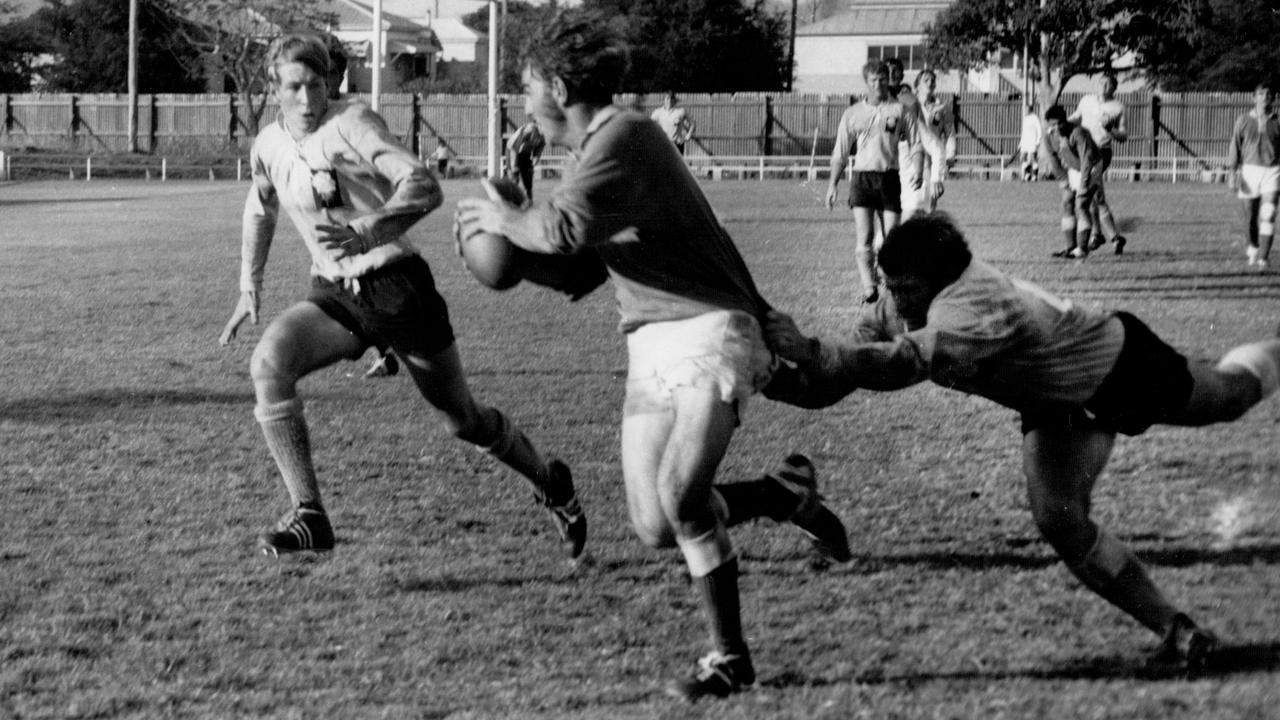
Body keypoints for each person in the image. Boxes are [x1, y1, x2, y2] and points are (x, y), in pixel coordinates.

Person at [454, 9, 852, 702]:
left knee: (679, 495)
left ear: (554, 84)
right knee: (655, 524)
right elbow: (580, 269)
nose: (523, 103)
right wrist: (512, 262)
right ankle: (784, 494)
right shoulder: (588, 157)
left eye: (525, 86)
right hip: (649, 338)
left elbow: (562, 227)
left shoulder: (626, 134)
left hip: (712, 326)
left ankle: (729, 657)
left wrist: (501, 222)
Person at [764, 211, 1280, 672]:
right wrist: (775, 377)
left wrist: (812, 348)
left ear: (944, 283)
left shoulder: (978, 303)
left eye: (908, 290)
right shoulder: (902, 304)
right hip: (1055, 405)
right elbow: (839, 377)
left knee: (1231, 396)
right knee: (1058, 518)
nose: (897, 302)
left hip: (1118, 368)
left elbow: (900, 365)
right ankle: (1177, 630)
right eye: (890, 286)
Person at [218, 33, 587, 562]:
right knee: (269, 365)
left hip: (396, 286)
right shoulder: (268, 145)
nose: (306, 99)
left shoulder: (352, 124)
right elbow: (260, 207)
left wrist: (367, 230)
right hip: (335, 294)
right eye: (294, 87)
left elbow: (422, 185)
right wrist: (248, 284)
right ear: (273, 88)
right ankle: (309, 514)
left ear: (331, 84)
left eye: (316, 85)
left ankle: (550, 480)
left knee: (461, 418)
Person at [826, 60, 944, 304]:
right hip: (862, 179)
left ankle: (886, 278)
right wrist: (832, 185)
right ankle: (869, 287)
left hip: (890, 178)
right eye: (873, 80)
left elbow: (916, 141)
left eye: (882, 79)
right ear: (866, 82)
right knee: (865, 237)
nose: (878, 84)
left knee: (892, 238)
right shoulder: (853, 113)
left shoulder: (899, 109)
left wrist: (919, 168)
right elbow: (841, 152)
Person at [1068, 73, 1129, 254]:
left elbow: (1124, 135)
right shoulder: (1086, 100)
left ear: (1114, 88)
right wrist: (1061, 124)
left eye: (1107, 83)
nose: (1102, 85)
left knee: (1092, 195)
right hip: (1084, 153)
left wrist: (1111, 128)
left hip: (1101, 152)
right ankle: (1105, 236)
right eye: (1100, 82)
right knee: (1093, 195)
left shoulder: (1118, 107)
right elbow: (1076, 117)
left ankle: (1107, 236)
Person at [1227, 81, 1280, 269]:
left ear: (1273, 99)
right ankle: (1253, 249)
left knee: (1268, 214)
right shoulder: (1243, 120)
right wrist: (1232, 172)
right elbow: (1235, 147)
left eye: (1269, 94)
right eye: (1261, 94)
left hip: (1272, 172)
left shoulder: (1277, 121)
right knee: (1250, 216)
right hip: (1249, 172)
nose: (1265, 97)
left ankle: (1264, 259)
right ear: (1254, 97)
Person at [1041, 104, 1104, 259]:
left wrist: (1083, 184)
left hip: (1091, 168)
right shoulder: (1049, 136)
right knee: (1067, 202)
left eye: (1059, 123)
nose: (1056, 127)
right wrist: (1063, 181)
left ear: (1065, 119)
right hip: (1073, 169)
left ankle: (1082, 250)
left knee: (1081, 204)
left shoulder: (1078, 133)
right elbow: (1054, 161)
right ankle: (1070, 247)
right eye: (1053, 124)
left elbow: (1087, 160)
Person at [907, 68, 956, 215]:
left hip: (932, 159)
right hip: (911, 157)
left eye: (932, 80)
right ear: (917, 86)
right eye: (926, 80)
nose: (930, 83)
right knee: (910, 201)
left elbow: (950, 134)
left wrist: (949, 157)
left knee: (930, 201)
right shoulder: (910, 105)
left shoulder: (943, 108)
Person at [506, 118, 546, 200]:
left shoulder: (544, 136)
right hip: (513, 150)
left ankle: (529, 201)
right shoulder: (529, 130)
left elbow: (539, 149)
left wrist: (535, 160)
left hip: (525, 153)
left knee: (528, 176)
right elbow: (515, 145)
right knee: (514, 177)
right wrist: (515, 164)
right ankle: (511, 200)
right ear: (539, 124)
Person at [1018, 98, 1042, 182]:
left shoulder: (1034, 118)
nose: (1025, 111)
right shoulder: (1025, 119)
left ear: (1030, 110)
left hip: (1032, 142)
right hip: (1025, 143)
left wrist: (1038, 140)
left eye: (1027, 109)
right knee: (1023, 158)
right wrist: (1021, 143)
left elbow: (1039, 129)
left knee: (1033, 159)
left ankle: (1035, 176)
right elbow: (1024, 132)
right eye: (1025, 109)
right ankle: (1027, 175)